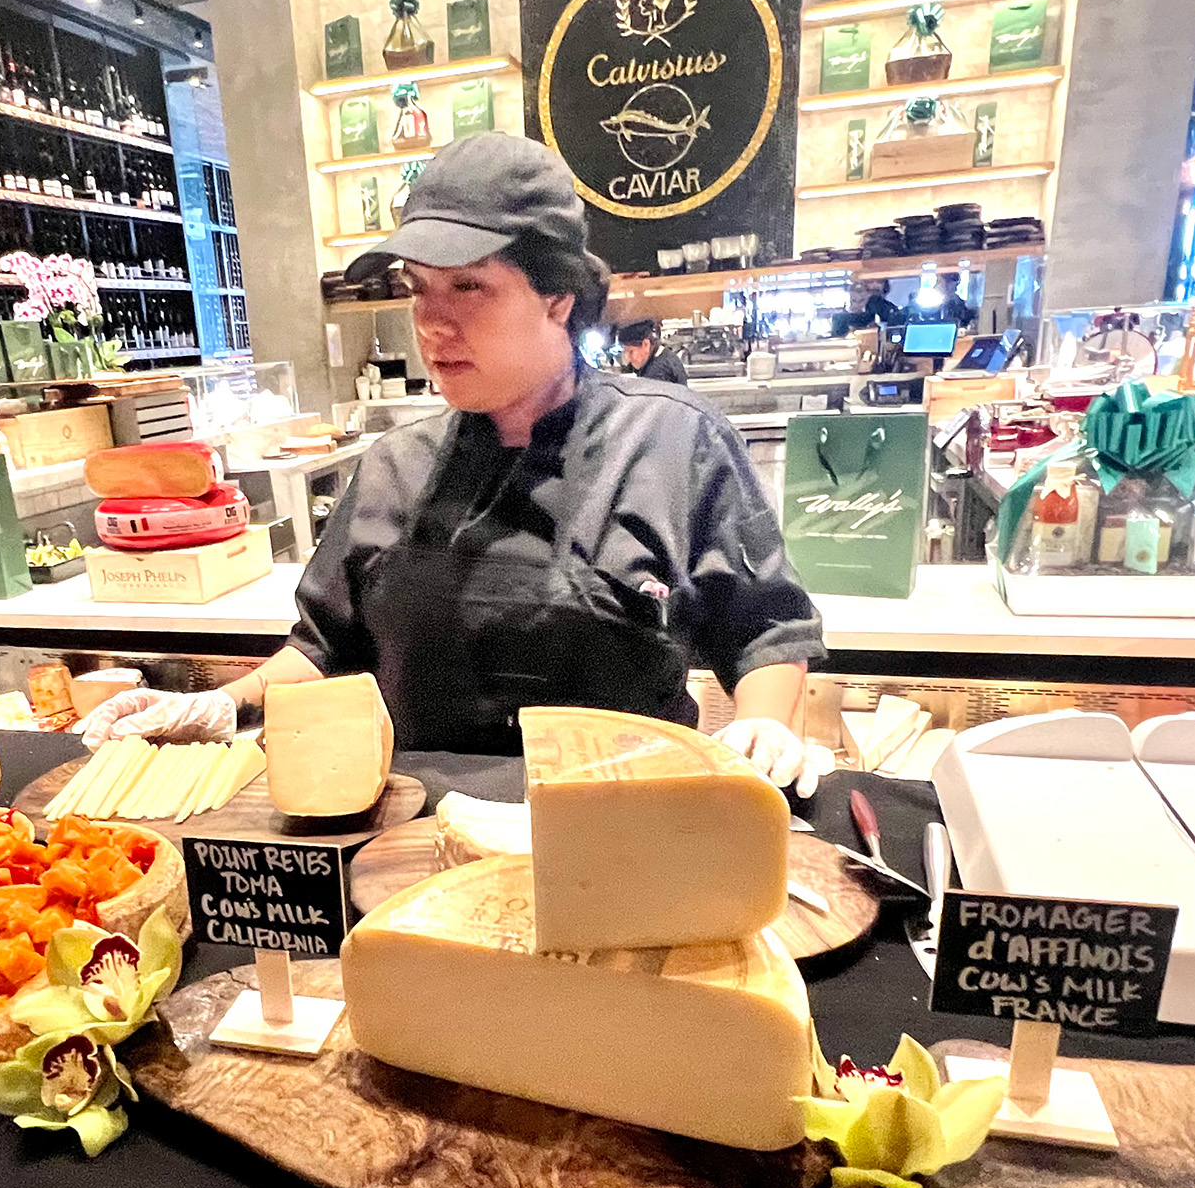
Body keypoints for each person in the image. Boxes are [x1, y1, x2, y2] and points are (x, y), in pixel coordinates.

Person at [82, 134, 829, 795]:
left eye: (470, 286)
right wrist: (222, 704)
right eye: (419, 289)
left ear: (558, 297)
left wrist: (764, 727)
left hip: (622, 838)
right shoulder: (394, 468)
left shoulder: (673, 443)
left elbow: (764, 632)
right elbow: (326, 650)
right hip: (409, 845)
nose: (433, 323)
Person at [617, 318, 689, 386]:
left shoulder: (658, 372)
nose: (628, 359)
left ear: (646, 344)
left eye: (631, 352)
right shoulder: (664, 356)